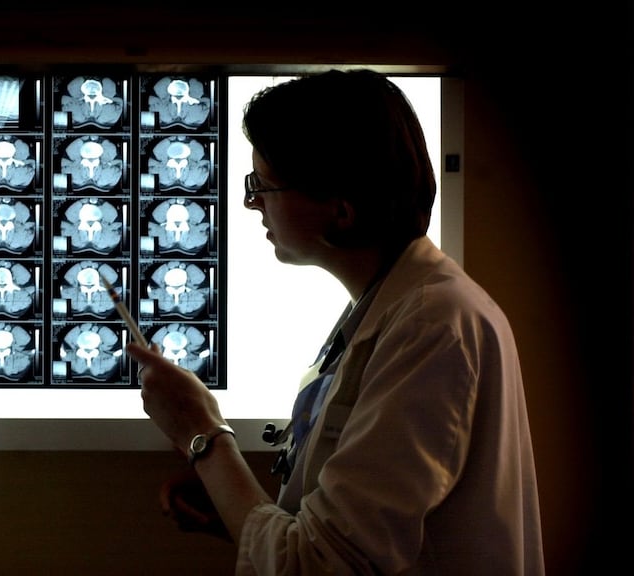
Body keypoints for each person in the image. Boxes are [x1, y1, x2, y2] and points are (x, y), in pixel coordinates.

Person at [126, 69, 545, 575]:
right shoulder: (390, 307)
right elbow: (349, 538)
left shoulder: (432, 325)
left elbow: (318, 567)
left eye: (263, 185)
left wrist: (203, 433)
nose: (251, 202)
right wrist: (235, 505)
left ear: (341, 210)